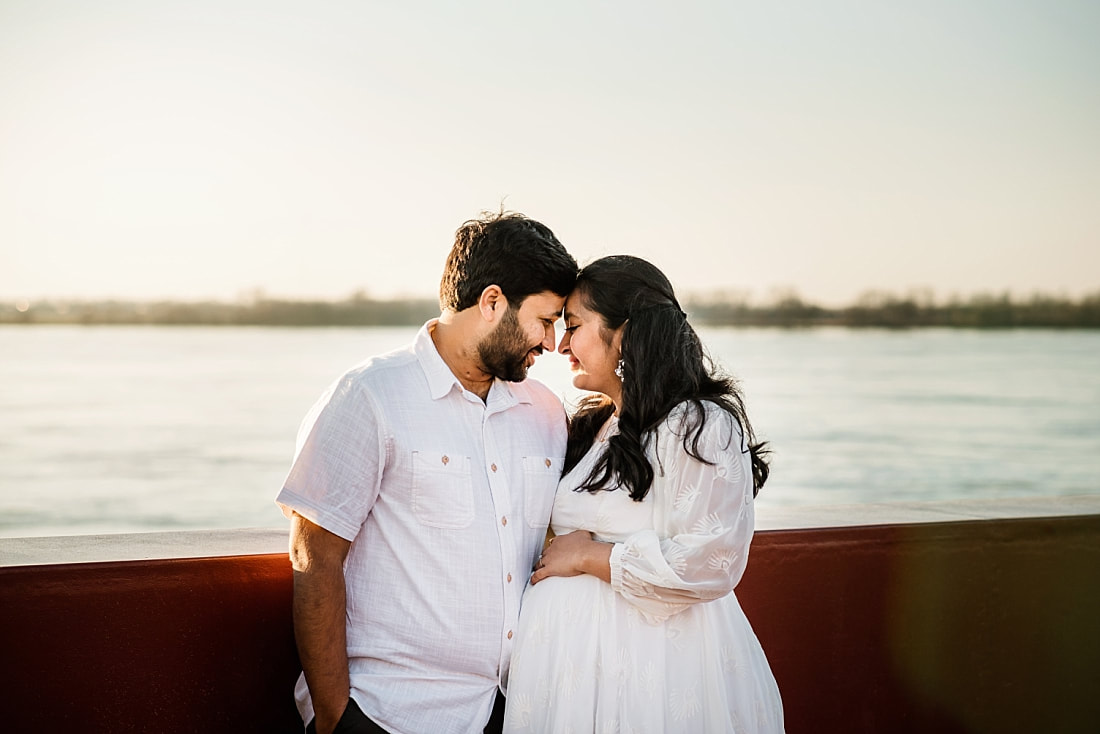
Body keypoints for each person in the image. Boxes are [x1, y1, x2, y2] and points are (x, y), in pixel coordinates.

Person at [276, 211, 578, 734]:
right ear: (491, 302)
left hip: (516, 710)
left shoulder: (547, 412)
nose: (552, 343)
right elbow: (314, 554)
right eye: (545, 320)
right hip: (391, 714)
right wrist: (336, 718)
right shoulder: (370, 395)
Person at [502, 255, 784, 733]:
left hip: (653, 671)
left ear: (625, 334)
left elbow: (712, 560)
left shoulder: (697, 424)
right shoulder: (596, 425)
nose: (562, 344)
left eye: (574, 326)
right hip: (574, 674)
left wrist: (591, 557)